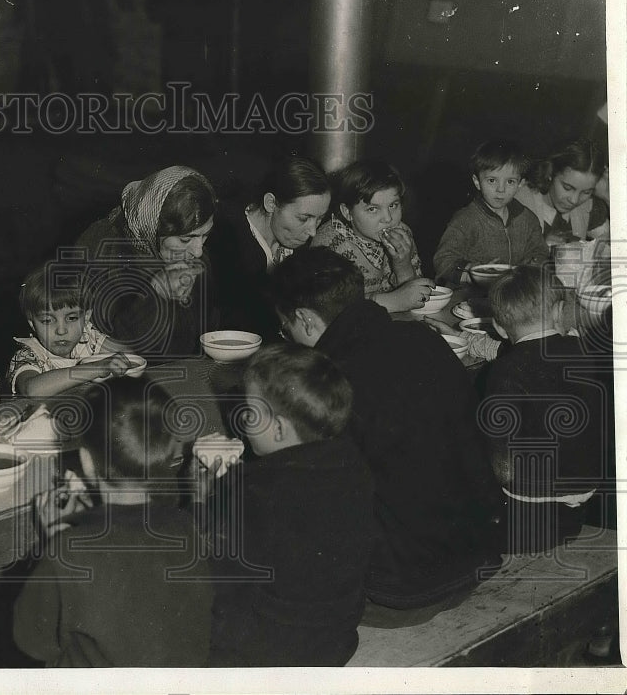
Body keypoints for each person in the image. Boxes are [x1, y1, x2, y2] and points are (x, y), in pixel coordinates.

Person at [272, 248, 503, 612]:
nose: (286, 336)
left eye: (285, 328)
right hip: (478, 556)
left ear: (305, 319)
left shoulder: (326, 383)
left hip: (402, 586)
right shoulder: (423, 339)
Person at [12, 377, 213, 666]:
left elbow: (33, 641)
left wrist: (55, 538)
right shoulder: (186, 527)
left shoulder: (68, 550)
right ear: (171, 455)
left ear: (87, 463)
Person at [209, 344, 375, 666]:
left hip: (274, 653)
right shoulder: (355, 465)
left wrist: (212, 484)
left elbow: (220, 577)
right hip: (335, 640)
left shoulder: (255, 491)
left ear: (280, 428)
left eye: (250, 411)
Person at [482, 266, 614, 553]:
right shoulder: (581, 350)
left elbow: (502, 462)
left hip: (532, 499)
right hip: (588, 484)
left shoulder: (503, 372)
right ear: (558, 311)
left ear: (499, 327)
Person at [75, 165, 219, 360]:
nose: (198, 250)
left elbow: (206, 333)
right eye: (185, 239)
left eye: (205, 236)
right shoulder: (101, 249)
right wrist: (154, 293)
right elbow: (93, 342)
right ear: (153, 227)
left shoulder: (193, 254)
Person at [211, 154, 330, 337]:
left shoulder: (294, 243)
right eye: (304, 218)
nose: (313, 232)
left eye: (320, 218)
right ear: (271, 203)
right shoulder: (228, 243)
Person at [312, 160, 434, 312]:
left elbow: (416, 297)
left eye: (393, 205)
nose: (388, 218)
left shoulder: (402, 233)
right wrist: (394, 301)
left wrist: (403, 266)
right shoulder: (329, 243)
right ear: (347, 212)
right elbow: (328, 306)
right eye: (373, 209)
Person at [433, 139, 549, 285]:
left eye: (510, 182)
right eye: (492, 180)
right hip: (471, 296)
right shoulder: (466, 219)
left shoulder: (528, 219)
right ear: (477, 182)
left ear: (520, 184)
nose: (501, 189)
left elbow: (540, 252)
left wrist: (530, 266)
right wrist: (472, 271)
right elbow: (443, 260)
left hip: (514, 295)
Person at [7, 261, 132, 396]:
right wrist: (97, 368)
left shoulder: (88, 340)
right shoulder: (29, 354)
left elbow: (128, 356)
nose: (61, 331)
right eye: (47, 320)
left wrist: (117, 363)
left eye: (71, 318)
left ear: (86, 317)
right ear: (32, 323)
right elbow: (32, 389)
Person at [515, 138, 609, 244]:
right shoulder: (516, 204)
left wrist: (607, 196)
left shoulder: (591, 207)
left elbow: (615, 245)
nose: (574, 200)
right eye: (567, 188)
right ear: (549, 172)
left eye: (586, 192)